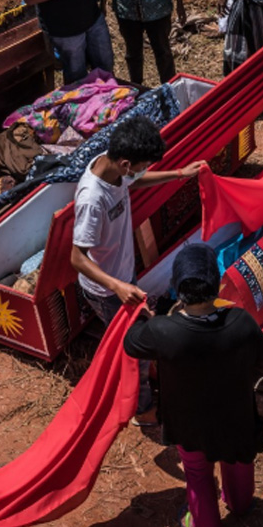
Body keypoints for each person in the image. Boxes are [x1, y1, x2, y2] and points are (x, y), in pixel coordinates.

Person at [123, 243, 263, 527]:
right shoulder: (241, 322)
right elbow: (262, 356)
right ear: (216, 286)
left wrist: (143, 315)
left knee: (197, 471)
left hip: (189, 422)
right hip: (236, 415)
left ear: (177, 288)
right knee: (239, 459)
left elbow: (131, 343)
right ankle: (241, 504)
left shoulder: (164, 331)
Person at [71, 115, 204, 424]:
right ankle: (142, 411)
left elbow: (136, 179)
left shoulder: (115, 168)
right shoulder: (92, 199)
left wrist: (179, 174)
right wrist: (116, 286)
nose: (144, 171)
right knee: (138, 352)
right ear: (126, 162)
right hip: (108, 290)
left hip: (123, 278)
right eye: (143, 164)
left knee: (136, 341)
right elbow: (77, 258)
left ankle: (135, 393)